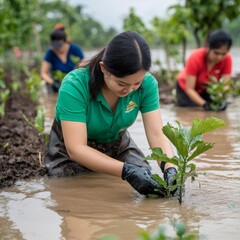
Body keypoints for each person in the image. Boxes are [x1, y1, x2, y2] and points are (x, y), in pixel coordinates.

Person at [44, 31, 178, 197]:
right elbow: (76, 148)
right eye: (122, 83)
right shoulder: (75, 85)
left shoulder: (148, 84)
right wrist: (126, 171)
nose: (129, 90)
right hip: (68, 150)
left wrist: (170, 167)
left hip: (116, 143)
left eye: (137, 83)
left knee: (148, 180)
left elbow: (157, 134)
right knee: (71, 191)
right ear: (104, 68)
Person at [176, 29, 232, 111]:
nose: (219, 57)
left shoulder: (227, 59)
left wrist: (221, 99)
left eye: (223, 54)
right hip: (185, 87)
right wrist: (204, 104)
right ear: (208, 47)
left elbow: (225, 85)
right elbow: (189, 89)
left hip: (204, 88)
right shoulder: (195, 57)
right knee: (189, 109)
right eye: (216, 53)